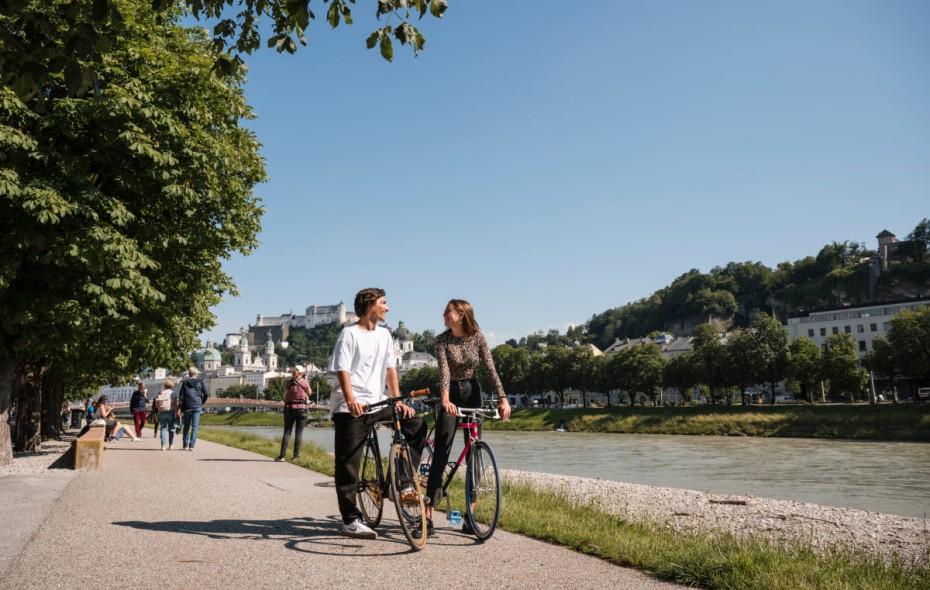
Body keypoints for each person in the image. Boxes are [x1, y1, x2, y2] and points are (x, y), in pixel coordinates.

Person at [329, 288, 426, 540]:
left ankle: (402, 483)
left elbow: (390, 370)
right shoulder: (348, 334)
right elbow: (342, 370)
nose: (387, 308)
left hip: (379, 401)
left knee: (416, 423)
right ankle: (350, 520)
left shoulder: (384, 335)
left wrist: (397, 400)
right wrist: (350, 401)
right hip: (353, 406)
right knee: (348, 464)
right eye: (383, 303)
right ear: (369, 305)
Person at [424, 298, 511, 536]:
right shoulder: (441, 340)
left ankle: (469, 516)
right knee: (442, 451)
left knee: (474, 454)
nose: (443, 315)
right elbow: (444, 370)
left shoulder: (479, 337)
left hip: (473, 392)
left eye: (447, 312)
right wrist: (444, 400)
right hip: (450, 393)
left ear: (461, 314)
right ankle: (428, 513)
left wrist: (503, 398)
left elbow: (490, 369)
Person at [275, 365, 312, 462]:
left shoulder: (288, 383)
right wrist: (305, 380)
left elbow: (288, 391)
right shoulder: (304, 382)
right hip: (302, 410)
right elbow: (309, 393)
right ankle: (296, 456)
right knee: (299, 433)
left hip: (289, 409)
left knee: (287, 432)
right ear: (301, 373)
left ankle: (282, 456)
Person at [178, 367, 208, 450]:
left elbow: (181, 396)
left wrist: (180, 407)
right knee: (195, 426)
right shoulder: (200, 382)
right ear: (196, 374)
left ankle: (185, 444)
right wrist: (202, 401)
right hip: (197, 405)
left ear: (189, 374)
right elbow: (206, 394)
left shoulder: (185, 383)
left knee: (186, 426)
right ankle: (192, 445)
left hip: (187, 406)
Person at [154, 378, 178, 450]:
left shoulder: (161, 392)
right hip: (171, 412)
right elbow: (175, 404)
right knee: (171, 429)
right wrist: (177, 413)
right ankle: (171, 444)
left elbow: (158, 402)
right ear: (172, 386)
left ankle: (163, 445)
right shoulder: (173, 394)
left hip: (162, 412)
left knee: (163, 429)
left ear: (165, 386)